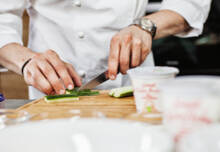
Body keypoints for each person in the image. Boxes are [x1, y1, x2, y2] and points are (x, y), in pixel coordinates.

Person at [0, 0, 211, 99]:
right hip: (49, 87)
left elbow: (190, 3)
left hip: (132, 84)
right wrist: (27, 61)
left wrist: (145, 26)